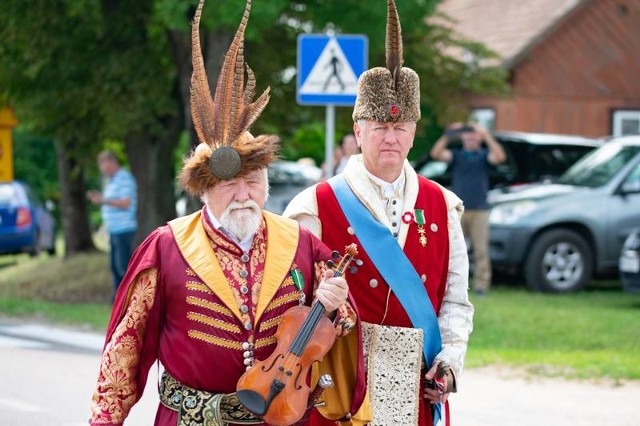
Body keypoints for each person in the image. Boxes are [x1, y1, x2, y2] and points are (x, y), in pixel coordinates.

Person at [89, 1, 367, 425]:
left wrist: (336, 305)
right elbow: (126, 348)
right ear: (204, 190)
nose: (244, 194)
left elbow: (342, 324)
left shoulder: (301, 242)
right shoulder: (166, 247)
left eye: (253, 181)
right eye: (229, 183)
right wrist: (106, 419)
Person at [284, 1, 474, 425]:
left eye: (400, 127)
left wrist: (449, 363)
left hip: (418, 386)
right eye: (379, 127)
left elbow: (456, 302)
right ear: (357, 131)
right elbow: (290, 305)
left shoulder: (443, 204)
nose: (390, 137)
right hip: (340, 384)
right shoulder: (312, 206)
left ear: (412, 133)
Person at [430, 122, 506, 296]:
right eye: (468, 134)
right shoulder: (457, 156)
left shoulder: (484, 156)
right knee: (452, 250)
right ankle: (451, 285)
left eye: (475, 135)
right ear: (463, 137)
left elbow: (500, 157)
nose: (471, 137)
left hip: (480, 210)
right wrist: (449, 134)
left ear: (479, 138)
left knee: (480, 250)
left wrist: (487, 135)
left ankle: (481, 286)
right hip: (458, 209)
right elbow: (436, 153)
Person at [87, 150, 138, 296]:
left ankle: (127, 298)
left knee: (123, 267)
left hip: (124, 228)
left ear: (112, 163)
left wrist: (103, 200)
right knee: (115, 267)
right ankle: (118, 299)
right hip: (114, 229)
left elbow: (126, 202)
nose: (103, 171)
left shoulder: (124, 178)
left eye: (105, 167)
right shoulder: (112, 181)